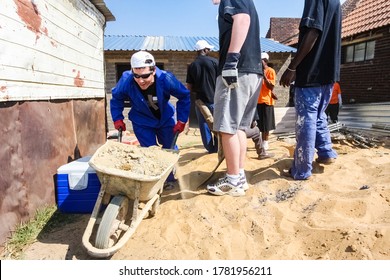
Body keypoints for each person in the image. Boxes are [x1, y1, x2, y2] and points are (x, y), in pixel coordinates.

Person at [279, 0, 341, 180]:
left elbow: (313, 31)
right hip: (328, 75)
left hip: (311, 74)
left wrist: (292, 67)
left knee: (306, 120)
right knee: (319, 115)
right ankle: (326, 153)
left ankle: (302, 169)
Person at [110, 51, 191, 189]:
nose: (141, 80)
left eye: (145, 76)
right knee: (149, 151)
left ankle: (169, 178)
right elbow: (116, 98)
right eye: (136, 76)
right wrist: (117, 118)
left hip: (165, 119)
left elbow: (184, 96)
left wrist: (182, 120)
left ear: (153, 70)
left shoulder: (166, 79)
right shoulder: (126, 80)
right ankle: (154, 180)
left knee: (169, 148)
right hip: (142, 121)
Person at [207, 0, 263, 196]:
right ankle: (239, 176)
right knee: (238, 127)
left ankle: (232, 181)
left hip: (238, 70)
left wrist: (231, 62)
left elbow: (242, 19)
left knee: (226, 126)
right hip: (252, 71)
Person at [186, 39, 219, 153]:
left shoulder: (192, 66)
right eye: (208, 49)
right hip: (216, 100)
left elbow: (189, 86)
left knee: (204, 125)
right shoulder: (215, 62)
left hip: (200, 101)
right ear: (204, 49)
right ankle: (219, 147)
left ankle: (210, 149)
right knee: (217, 123)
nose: (209, 50)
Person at [257, 52, 277, 159]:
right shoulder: (257, 71)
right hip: (257, 101)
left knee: (266, 124)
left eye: (261, 60)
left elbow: (271, 87)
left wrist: (264, 76)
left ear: (265, 61)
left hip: (266, 101)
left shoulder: (270, 71)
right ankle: (261, 141)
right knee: (260, 124)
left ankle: (265, 142)